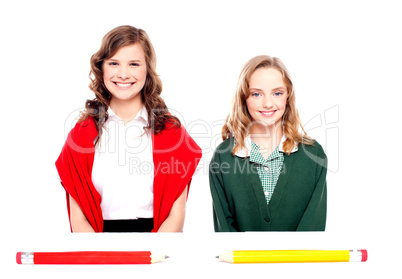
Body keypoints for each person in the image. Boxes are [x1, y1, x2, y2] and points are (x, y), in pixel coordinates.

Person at [56, 25, 202, 233]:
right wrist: (100, 256)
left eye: (134, 64)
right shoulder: (81, 134)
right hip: (97, 244)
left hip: (157, 243)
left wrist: (155, 254)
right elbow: (78, 218)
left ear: (147, 69)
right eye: (114, 63)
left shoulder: (172, 133)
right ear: (101, 68)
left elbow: (175, 216)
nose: (123, 74)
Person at [209, 55, 327, 232]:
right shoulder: (223, 157)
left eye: (277, 93)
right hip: (242, 259)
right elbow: (225, 229)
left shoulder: (313, 155)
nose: (268, 103)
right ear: (244, 98)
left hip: (297, 260)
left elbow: (313, 226)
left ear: (288, 97)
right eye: (256, 94)